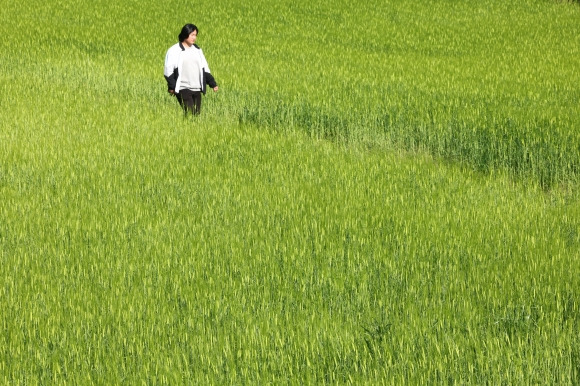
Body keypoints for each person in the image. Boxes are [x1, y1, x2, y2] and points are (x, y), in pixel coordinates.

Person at [164, 24, 218, 115]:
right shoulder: (174, 50)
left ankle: (189, 129)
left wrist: (212, 83)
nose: (194, 37)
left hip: (197, 88)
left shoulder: (197, 50)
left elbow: (204, 68)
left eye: (195, 35)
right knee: (189, 113)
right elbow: (168, 71)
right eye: (192, 35)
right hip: (182, 87)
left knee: (196, 114)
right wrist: (172, 86)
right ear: (185, 34)